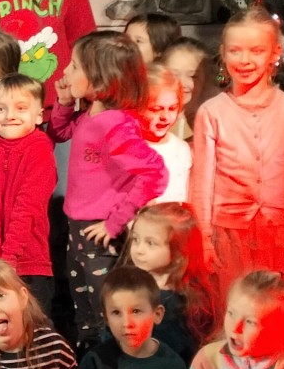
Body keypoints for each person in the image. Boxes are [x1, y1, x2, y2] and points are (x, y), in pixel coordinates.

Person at [189, 6, 284, 299]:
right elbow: (201, 183)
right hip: (229, 236)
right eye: (235, 51)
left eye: (256, 50)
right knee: (238, 309)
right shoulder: (211, 113)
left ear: (275, 53)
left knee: (281, 309)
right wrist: (204, 238)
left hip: (282, 235)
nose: (245, 60)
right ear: (223, 53)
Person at [50, 31, 168, 347]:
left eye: (75, 66)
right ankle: (90, 361)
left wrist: (114, 222)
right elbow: (59, 132)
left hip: (99, 234)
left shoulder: (117, 124)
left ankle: (113, 362)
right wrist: (64, 103)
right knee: (84, 309)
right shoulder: (92, 114)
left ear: (101, 81)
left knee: (106, 311)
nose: (66, 71)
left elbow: (155, 174)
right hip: (77, 229)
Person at [0, 74, 59, 310]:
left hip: (30, 261)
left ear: (39, 116)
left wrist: (8, 259)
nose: (10, 116)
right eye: (1, 109)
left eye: (21, 108)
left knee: (33, 324)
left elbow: (29, 206)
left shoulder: (40, 148)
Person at [123, 202, 218, 360]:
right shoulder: (134, 284)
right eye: (136, 239)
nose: (139, 250)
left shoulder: (179, 304)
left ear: (179, 252)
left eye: (151, 243)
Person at [141, 63, 192, 204]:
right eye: (156, 109)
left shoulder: (182, 149)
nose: (165, 116)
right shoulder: (128, 147)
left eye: (172, 108)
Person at [161, 37, 216, 139]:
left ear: (206, 78)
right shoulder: (152, 117)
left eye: (192, 76)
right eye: (174, 75)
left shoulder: (211, 118)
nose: (182, 83)